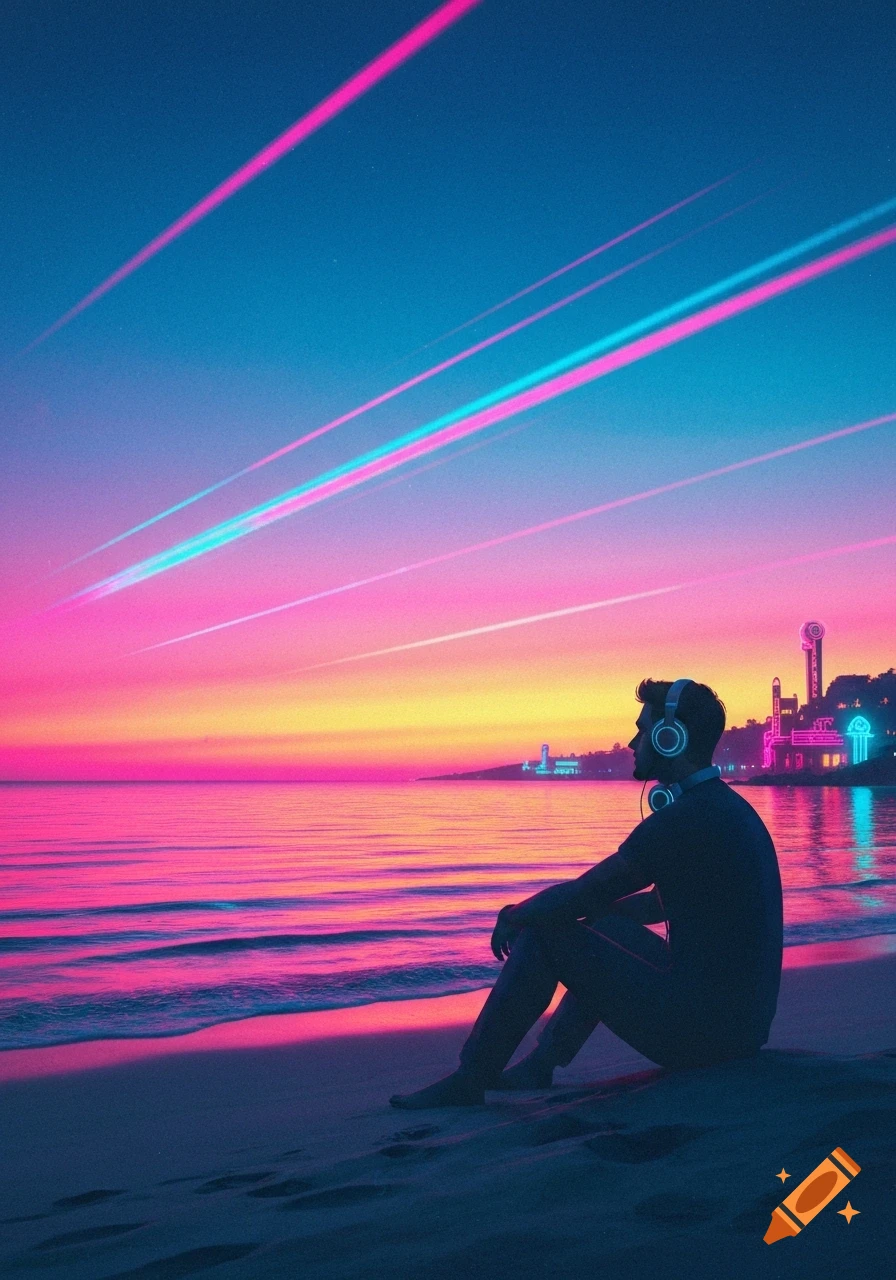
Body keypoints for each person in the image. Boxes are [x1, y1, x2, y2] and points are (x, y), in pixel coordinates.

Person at [390, 678, 783, 1109]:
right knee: (602, 925)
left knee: (545, 932)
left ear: (670, 737)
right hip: (739, 1029)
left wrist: (516, 914)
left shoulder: (682, 821)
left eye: (642, 730)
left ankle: (471, 1078)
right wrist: (595, 920)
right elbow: (656, 904)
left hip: (703, 1036)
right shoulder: (725, 809)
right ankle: (540, 1064)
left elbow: (585, 892)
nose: (632, 743)